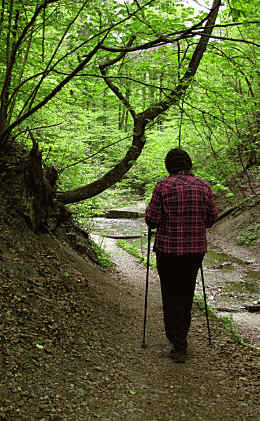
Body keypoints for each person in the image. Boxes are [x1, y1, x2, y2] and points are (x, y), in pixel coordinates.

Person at [145, 148, 218, 363]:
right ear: (189, 164)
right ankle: (181, 341)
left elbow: (152, 219)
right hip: (194, 251)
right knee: (186, 293)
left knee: (170, 293)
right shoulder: (203, 186)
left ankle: (175, 339)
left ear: (169, 166)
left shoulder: (163, 186)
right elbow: (212, 218)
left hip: (167, 250)